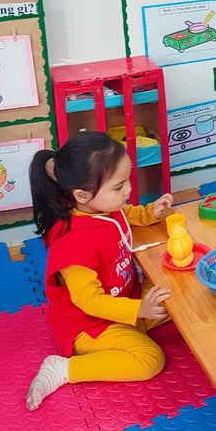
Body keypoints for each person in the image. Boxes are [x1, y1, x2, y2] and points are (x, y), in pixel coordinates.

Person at [25, 132, 174, 411]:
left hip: (125, 300)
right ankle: (64, 369)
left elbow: (126, 214)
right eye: (119, 187)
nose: (128, 191)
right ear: (81, 195)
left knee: (176, 294)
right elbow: (89, 302)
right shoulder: (72, 244)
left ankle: (140, 320)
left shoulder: (103, 207)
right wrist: (139, 310)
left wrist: (149, 213)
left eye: (127, 180)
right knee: (150, 359)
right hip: (91, 324)